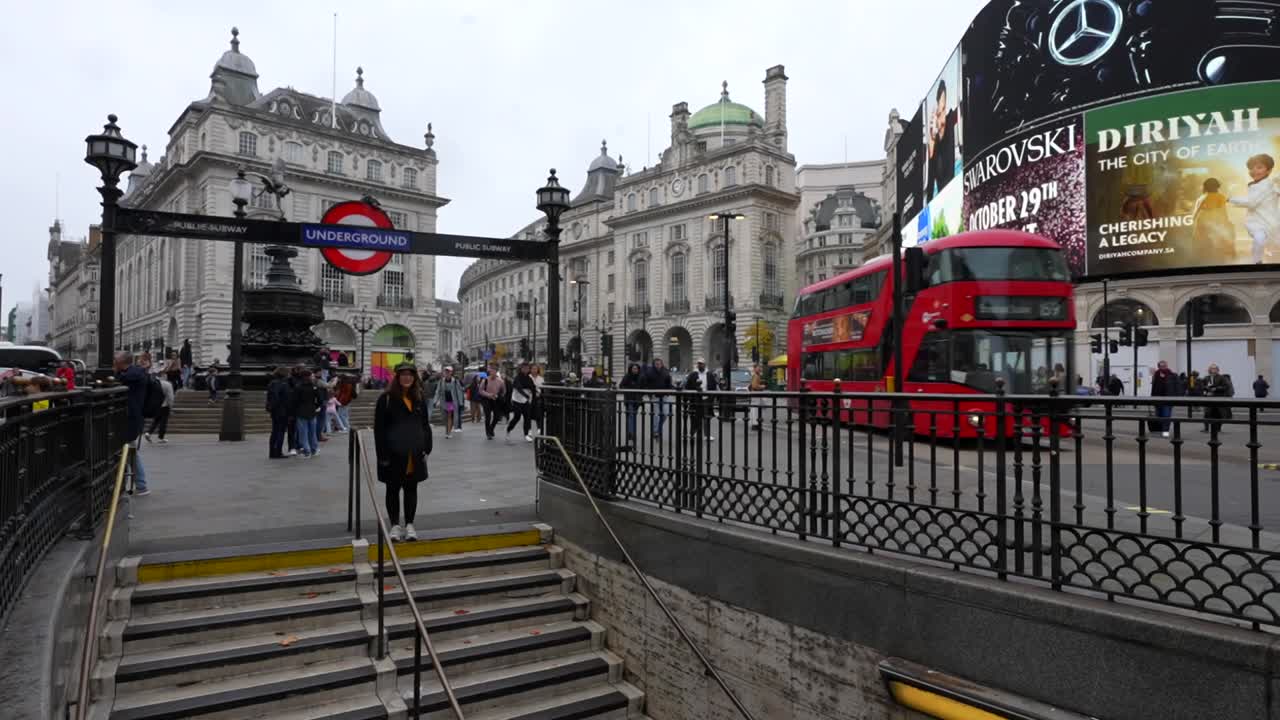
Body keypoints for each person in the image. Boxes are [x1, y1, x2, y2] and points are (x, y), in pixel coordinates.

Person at [374, 362, 433, 542]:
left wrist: (427, 446)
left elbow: (424, 424)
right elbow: (379, 429)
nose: (407, 377)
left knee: (411, 488)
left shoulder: (419, 398)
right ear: (397, 378)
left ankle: (409, 524)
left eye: (410, 374)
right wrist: (382, 454)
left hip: (414, 452)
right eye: (403, 374)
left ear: (414, 378)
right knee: (392, 488)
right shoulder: (386, 399)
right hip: (392, 452)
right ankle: (394, 525)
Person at [1228, 153, 1280, 264]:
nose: (1254, 171)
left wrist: (1231, 199)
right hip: (1257, 223)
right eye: (1251, 168)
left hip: (1271, 223)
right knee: (1259, 239)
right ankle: (1257, 263)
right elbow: (1252, 201)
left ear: (1269, 170)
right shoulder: (1256, 185)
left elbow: (1251, 202)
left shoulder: (1269, 184)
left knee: (1268, 241)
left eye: (1259, 167)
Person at [113, 351, 150, 496]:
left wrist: (116, 372)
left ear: (123, 361)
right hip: (129, 418)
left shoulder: (134, 373)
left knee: (129, 451)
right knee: (129, 451)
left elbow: (120, 380)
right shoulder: (129, 372)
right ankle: (139, 484)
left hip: (131, 419)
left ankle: (140, 485)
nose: (114, 360)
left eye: (116, 358)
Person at [1192, 177, 1236, 261]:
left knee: (1202, 243)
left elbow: (1195, 214)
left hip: (1202, 221)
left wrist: (1195, 223)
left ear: (1205, 187)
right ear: (1217, 187)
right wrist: (1226, 222)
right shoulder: (1221, 197)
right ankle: (1226, 255)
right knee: (1222, 238)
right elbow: (1223, 211)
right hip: (1215, 222)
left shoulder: (1201, 197)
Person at [290, 368, 321, 457]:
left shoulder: (298, 387)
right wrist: (316, 406)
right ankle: (314, 449)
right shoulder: (314, 386)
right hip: (312, 410)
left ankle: (306, 451)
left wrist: (294, 411)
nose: (312, 377)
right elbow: (320, 399)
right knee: (312, 432)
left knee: (303, 433)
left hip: (301, 411)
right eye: (311, 375)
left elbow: (294, 401)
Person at [506, 362, 537, 443]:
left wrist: (534, 398)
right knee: (517, 417)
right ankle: (509, 430)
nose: (526, 370)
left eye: (527, 368)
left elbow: (533, 388)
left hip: (525, 401)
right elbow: (519, 388)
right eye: (524, 368)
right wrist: (526, 395)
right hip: (517, 399)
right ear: (521, 369)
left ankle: (526, 434)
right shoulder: (517, 378)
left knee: (527, 417)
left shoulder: (529, 378)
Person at [689, 358, 718, 440]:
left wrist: (711, 397)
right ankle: (693, 433)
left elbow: (713, 386)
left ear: (704, 365)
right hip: (696, 399)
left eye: (701, 364)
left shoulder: (709, 374)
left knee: (706, 417)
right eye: (698, 364)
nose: (700, 365)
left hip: (706, 399)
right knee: (695, 417)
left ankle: (707, 435)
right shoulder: (693, 374)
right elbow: (688, 386)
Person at [645, 358, 674, 439]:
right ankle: (655, 431)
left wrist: (671, 390)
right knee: (656, 415)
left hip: (664, 396)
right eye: (656, 364)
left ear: (662, 364)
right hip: (655, 397)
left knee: (665, 414)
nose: (658, 365)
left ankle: (657, 428)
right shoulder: (649, 372)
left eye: (659, 363)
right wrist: (650, 394)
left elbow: (669, 383)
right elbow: (646, 384)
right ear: (654, 364)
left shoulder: (665, 372)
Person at [266, 367, 291, 459]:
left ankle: (273, 451)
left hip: (276, 411)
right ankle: (277, 452)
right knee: (280, 432)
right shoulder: (282, 384)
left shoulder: (272, 383)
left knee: (275, 431)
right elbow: (279, 398)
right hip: (281, 411)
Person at [1203, 363, 1234, 433]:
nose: (1213, 370)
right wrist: (1206, 388)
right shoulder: (1206, 378)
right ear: (1209, 370)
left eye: (1215, 368)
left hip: (1218, 398)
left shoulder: (1221, 377)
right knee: (1206, 413)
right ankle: (1206, 428)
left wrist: (1216, 389)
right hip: (1208, 398)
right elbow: (1202, 386)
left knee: (1218, 414)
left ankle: (1218, 428)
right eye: (1212, 368)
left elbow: (1225, 386)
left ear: (1217, 370)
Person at [435, 366, 465, 438]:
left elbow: (459, 392)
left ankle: (448, 433)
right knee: (445, 417)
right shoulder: (441, 381)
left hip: (451, 401)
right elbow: (438, 391)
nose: (447, 373)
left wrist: (460, 403)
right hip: (443, 401)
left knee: (449, 416)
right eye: (446, 371)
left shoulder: (455, 381)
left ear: (451, 372)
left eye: (448, 371)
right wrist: (435, 401)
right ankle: (448, 431)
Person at [619, 363, 645, 446]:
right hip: (629, 399)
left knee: (633, 417)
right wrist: (629, 389)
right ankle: (631, 434)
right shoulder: (627, 376)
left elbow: (644, 387)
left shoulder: (641, 377)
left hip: (637, 400)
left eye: (636, 369)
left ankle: (631, 433)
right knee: (631, 416)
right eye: (633, 368)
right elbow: (621, 386)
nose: (635, 370)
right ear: (631, 369)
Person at [144, 375, 174, 444]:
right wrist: (171, 407)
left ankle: (148, 433)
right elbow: (170, 397)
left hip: (156, 405)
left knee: (156, 420)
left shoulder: (156, 383)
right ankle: (161, 437)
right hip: (165, 405)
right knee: (163, 422)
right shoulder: (168, 385)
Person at [479, 366, 507, 439]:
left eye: (494, 371)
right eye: (491, 371)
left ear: (496, 372)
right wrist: (488, 395)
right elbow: (480, 390)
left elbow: (504, 391)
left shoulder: (500, 381)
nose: (492, 373)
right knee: (488, 417)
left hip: (496, 400)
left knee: (497, 416)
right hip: (487, 400)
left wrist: (498, 395)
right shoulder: (485, 380)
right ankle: (488, 433)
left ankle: (491, 428)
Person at [1150, 360, 1176, 437]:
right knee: (1159, 415)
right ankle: (1162, 429)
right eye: (1161, 366)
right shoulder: (1156, 374)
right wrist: (1152, 399)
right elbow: (1154, 387)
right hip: (1157, 399)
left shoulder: (1171, 375)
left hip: (1168, 399)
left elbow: (1175, 387)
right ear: (1159, 367)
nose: (1163, 368)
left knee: (1166, 415)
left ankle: (1165, 431)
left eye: (1164, 366)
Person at [748, 364, 767, 429]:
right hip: (756, 394)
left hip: (756, 394)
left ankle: (756, 423)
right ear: (755, 369)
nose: (760, 369)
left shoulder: (756, 375)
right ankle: (756, 424)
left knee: (757, 408)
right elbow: (754, 386)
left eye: (760, 368)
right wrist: (762, 386)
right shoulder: (756, 376)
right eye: (758, 368)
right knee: (755, 409)